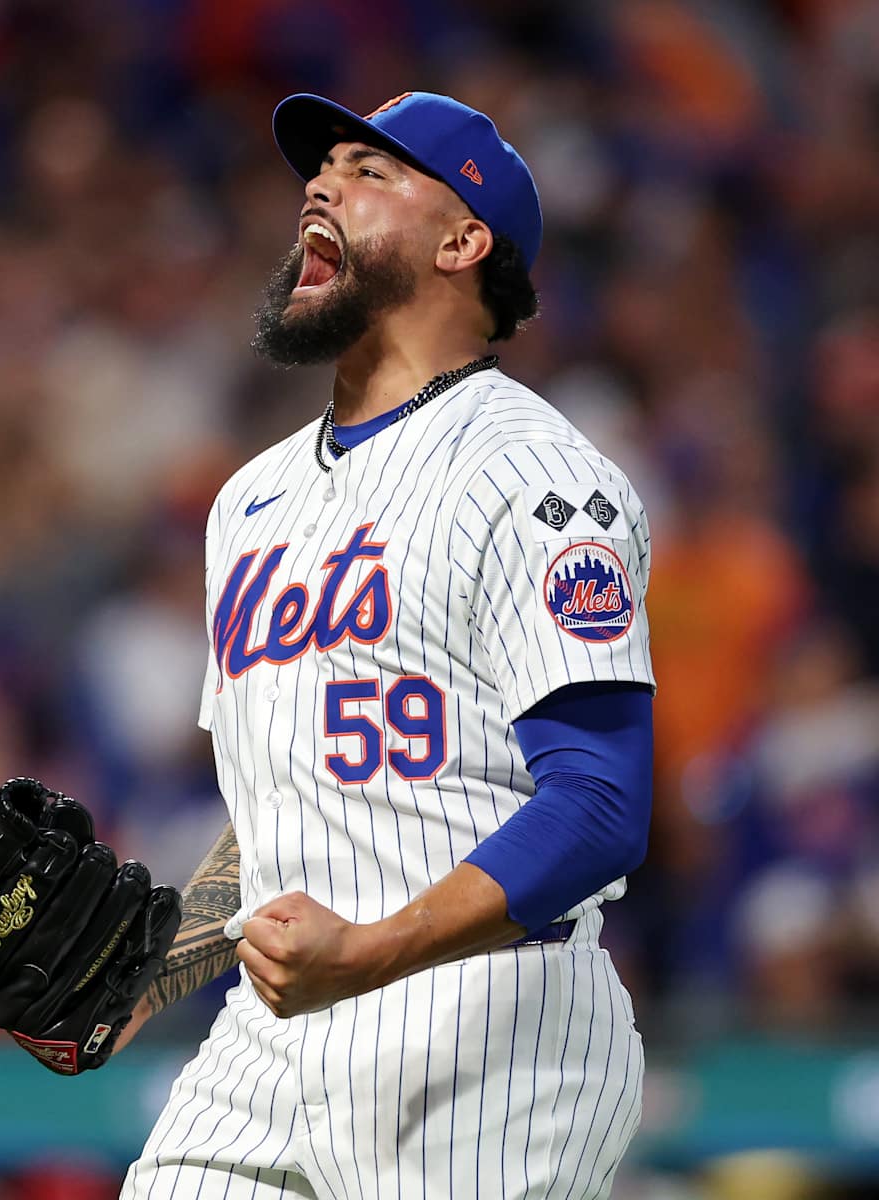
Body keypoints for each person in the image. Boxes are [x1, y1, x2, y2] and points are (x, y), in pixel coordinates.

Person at [113, 92, 657, 1197]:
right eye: (323, 171)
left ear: (464, 241)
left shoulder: (537, 478)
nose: (321, 184)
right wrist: (151, 971)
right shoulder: (249, 501)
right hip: (271, 1041)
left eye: (370, 170)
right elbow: (291, 815)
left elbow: (600, 801)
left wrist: (368, 951)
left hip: (492, 1042)